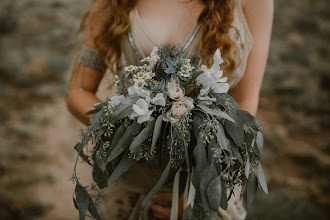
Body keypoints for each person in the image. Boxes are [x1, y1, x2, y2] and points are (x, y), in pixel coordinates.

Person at [65, 0, 273, 219]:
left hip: (205, 176)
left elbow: (246, 104)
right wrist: (129, 133)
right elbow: (77, 90)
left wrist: (198, 192)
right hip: (131, 176)